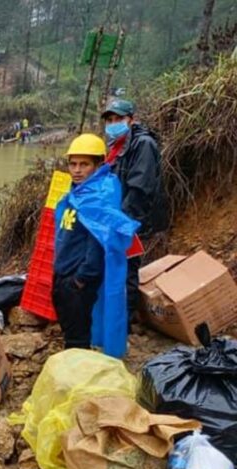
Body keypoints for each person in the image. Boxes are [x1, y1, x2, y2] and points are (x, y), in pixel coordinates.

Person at [53, 134, 139, 358]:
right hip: (64, 274)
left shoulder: (99, 195)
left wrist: (81, 279)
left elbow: (99, 243)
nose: (77, 170)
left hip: (78, 280)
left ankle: (78, 376)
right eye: (73, 164)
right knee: (70, 328)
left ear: (98, 165)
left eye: (84, 164)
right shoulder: (77, 193)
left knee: (77, 337)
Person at [101, 99, 168, 317]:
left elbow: (140, 188)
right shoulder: (116, 147)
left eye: (118, 119)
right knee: (115, 264)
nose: (113, 123)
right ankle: (115, 313)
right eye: (109, 120)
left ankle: (125, 319)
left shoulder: (143, 144)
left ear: (131, 119)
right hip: (118, 217)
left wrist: (121, 223)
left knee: (127, 266)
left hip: (131, 218)